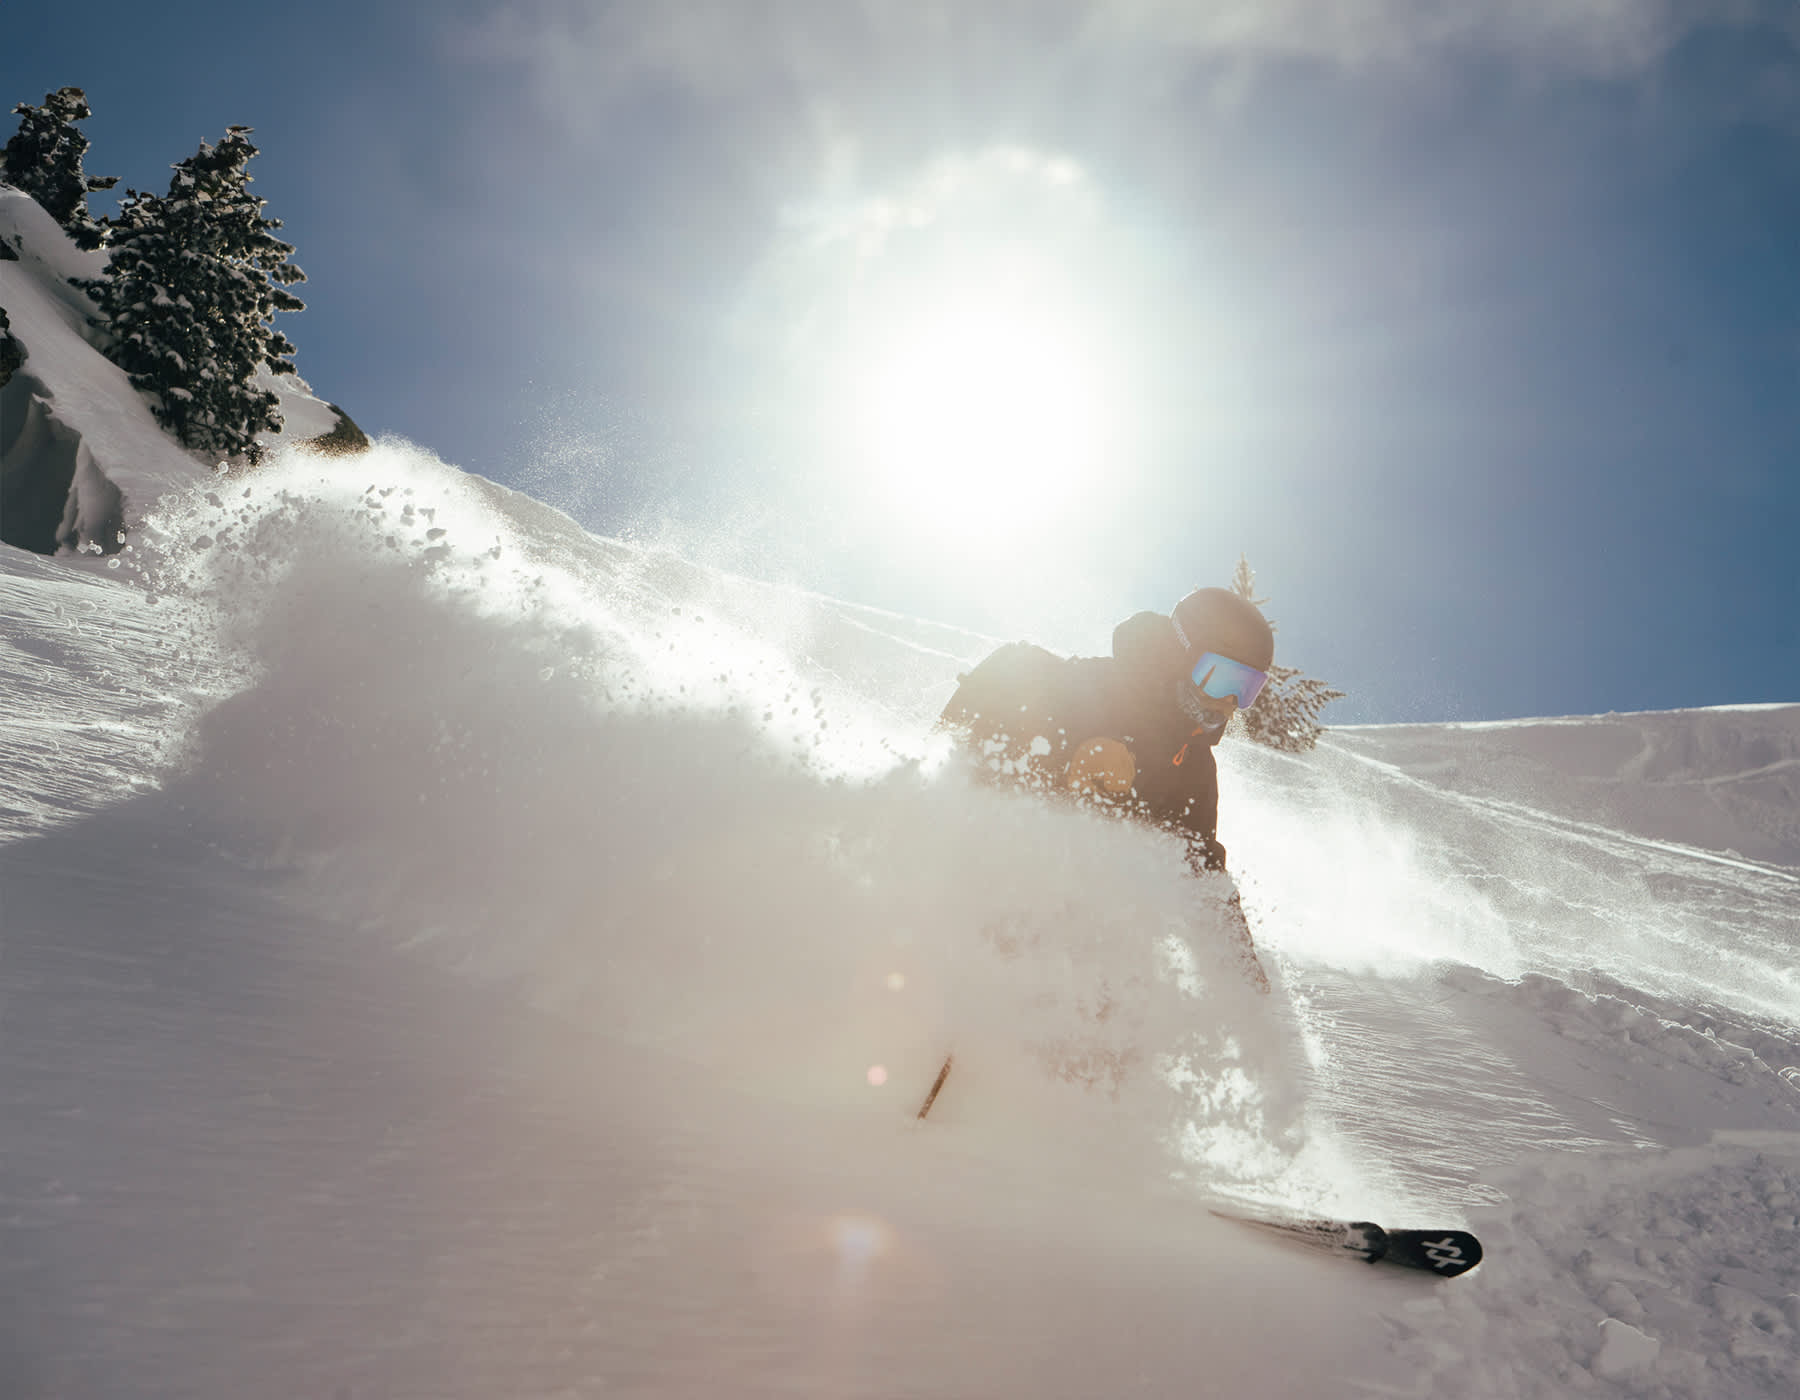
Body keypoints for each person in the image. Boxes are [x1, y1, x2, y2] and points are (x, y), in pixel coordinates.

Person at [936, 586, 1276, 987]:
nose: (1230, 702)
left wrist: (1243, 975)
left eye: (1249, 688)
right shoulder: (1085, 686)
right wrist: (1065, 761)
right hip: (979, 893)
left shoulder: (1194, 768)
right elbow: (968, 763)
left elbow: (1202, 867)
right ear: (1179, 652)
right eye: (1222, 678)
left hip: (1077, 947)